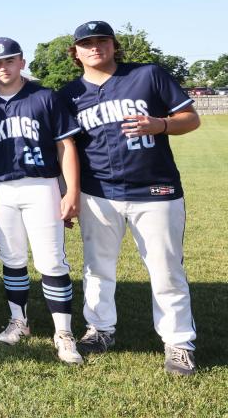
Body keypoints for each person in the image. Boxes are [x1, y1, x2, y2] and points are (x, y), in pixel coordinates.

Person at [58, 21, 201, 376]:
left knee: (166, 269)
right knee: (97, 266)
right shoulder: (69, 94)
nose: (95, 47)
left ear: (113, 45)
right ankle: (100, 329)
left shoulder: (147, 75)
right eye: (86, 43)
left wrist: (161, 125)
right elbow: (67, 148)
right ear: (75, 52)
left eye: (102, 40)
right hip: (98, 191)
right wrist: (69, 193)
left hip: (155, 189)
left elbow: (190, 118)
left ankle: (178, 342)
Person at [0, 37, 84, 364]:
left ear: (21, 62)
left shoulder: (44, 96)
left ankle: (63, 332)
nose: (3, 67)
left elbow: (66, 148)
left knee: (51, 261)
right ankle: (19, 321)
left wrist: (70, 191)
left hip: (40, 184)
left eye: (9, 60)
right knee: (12, 258)